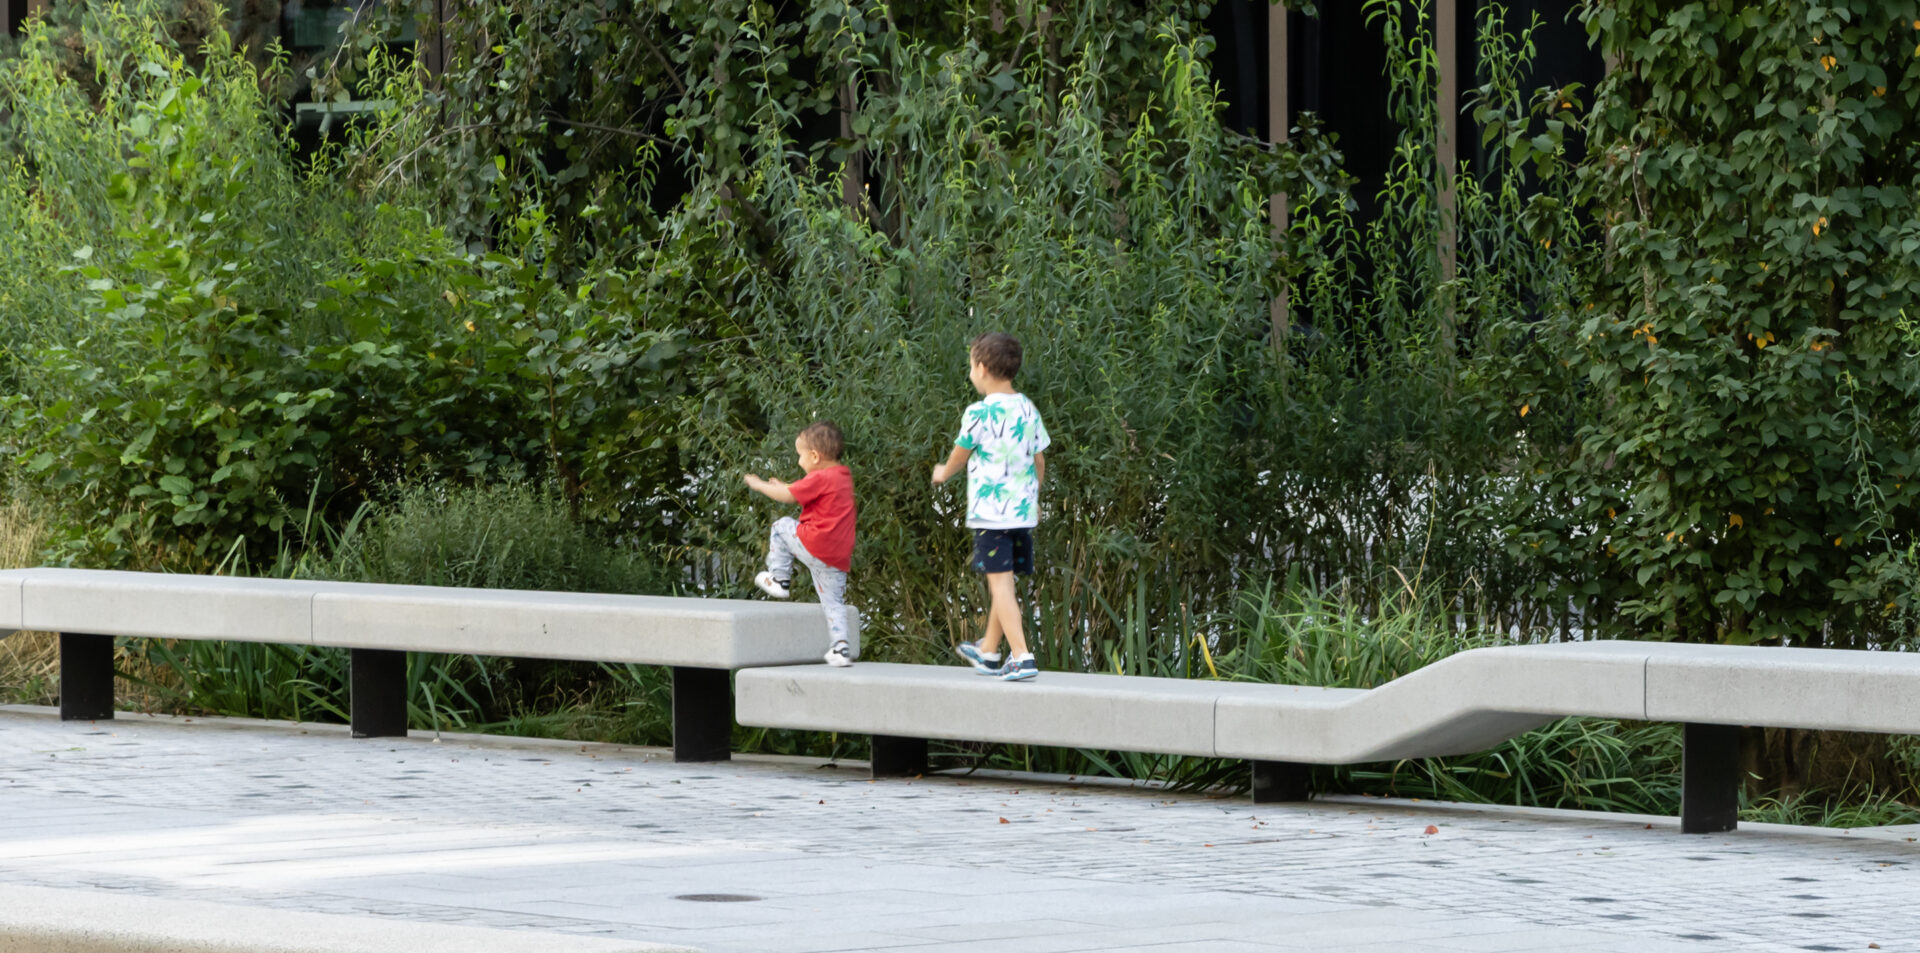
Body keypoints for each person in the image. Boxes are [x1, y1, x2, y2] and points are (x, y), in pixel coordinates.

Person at [932, 332, 1049, 682]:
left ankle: (1022, 655)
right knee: (1005, 580)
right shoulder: (1028, 408)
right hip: (1022, 512)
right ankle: (988, 652)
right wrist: (1035, 495)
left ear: (982, 368)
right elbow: (1039, 459)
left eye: (970, 366)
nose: (970, 373)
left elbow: (960, 453)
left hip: (992, 515)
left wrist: (943, 472)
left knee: (1000, 585)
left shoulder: (979, 413)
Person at [745, 421, 858, 667]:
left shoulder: (819, 476)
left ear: (815, 456)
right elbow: (799, 491)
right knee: (833, 604)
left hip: (816, 543)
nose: (799, 462)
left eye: (800, 456)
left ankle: (779, 579)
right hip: (837, 557)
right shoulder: (841, 477)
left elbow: (788, 497)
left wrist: (759, 485)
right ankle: (840, 649)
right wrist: (783, 485)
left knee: (780, 527)